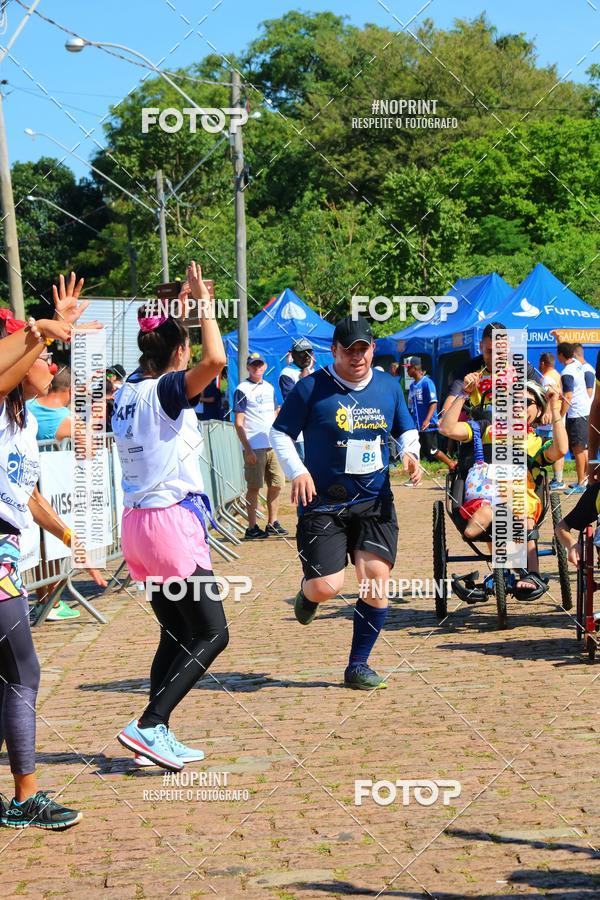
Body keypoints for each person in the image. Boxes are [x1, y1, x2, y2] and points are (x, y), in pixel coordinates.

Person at [112, 262, 230, 772]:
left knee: (175, 633)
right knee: (212, 632)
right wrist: (203, 306)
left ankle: (156, 732)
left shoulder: (127, 390)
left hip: (138, 525)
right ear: (179, 354)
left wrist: (174, 309)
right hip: (167, 525)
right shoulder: (166, 391)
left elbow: (166, 346)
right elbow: (218, 358)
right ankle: (152, 722)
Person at [0, 273, 106, 830]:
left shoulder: (18, 423)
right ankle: (24, 798)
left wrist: (71, 540)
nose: (50, 366)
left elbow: (30, 496)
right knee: (23, 672)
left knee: (9, 676)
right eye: (42, 358)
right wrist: (40, 327)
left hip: (9, 552)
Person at [270, 314, 421, 691]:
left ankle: (358, 665)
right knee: (328, 586)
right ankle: (308, 596)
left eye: (363, 349)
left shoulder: (389, 386)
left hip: (374, 501)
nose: (357, 357)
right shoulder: (311, 389)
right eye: (348, 350)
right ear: (334, 350)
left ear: (372, 349)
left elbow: (407, 428)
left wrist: (410, 452)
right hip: (323, 503)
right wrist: (297, 471)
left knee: (375, 580)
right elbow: (280, 433)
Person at [439, 376, 567, 602]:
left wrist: (555, 408)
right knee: (493, 509)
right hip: (486, 498)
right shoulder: (485, 429)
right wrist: (464, 395)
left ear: (537, 410)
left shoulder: (535, 441)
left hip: (520, 502)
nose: (516, 407)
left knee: (521, 512)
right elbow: (446, 428)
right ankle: (504, 568)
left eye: (525, 402)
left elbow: (561, 449)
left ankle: (531, 574)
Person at [26, 367, 82, 622]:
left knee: (40, 547)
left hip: (34, 486)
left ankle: (45, 598)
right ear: (69, 391)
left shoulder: (29, 408)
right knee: (53, 544)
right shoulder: (64, 416)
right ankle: (52, 600)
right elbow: (89, 443)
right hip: (47, 490)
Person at [234, 352, 287, 540]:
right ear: (248, 367)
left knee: (277, 483)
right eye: (253, 365)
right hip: (254, 445)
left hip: (271, 443)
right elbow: (239, 421)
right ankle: (252, 527)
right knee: (254, 487)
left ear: (264, 367)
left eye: (260, 365)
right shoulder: (242, 389)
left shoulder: (270, 388)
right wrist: (247, 448)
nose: (257, 368)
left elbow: (274, 412)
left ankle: (273, 522)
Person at [441, 321, 543, 417]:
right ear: (481, 346)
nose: (494, 358)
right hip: (479, 430)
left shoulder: (521, 367)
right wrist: (464, 392)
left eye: (500, 352)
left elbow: (543, 399)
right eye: (489, 351)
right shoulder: (469, 369)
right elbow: (445, 413)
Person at [405, 356, 456, 473]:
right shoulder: (412, 386)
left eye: (408, 368)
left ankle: (451, 463)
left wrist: (427, 420)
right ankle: (414, 474)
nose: (407, 371)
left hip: (428, 425)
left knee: (431, 450)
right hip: (417, 425)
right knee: (414, 449)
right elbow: (412, 406)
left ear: (415, 368)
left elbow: (433, 403)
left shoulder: (427, 383)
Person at [557, 341, 593, 495]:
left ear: (560, 355)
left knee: (578, 450)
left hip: (576, 414)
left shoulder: (567, 372)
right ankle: (584, 479)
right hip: (584, 412)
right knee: (583, 449)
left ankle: (581, 482)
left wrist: (560, 415)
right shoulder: (578, 365)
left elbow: (568, 395)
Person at [278, 338, 315, 462]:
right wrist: (304, 380)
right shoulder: (287, 373)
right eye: (302, 353)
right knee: (304, 468)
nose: (306, 356)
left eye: (309, 352)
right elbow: (291, 402)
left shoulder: (313, 372)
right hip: (300, 434)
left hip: (315, 429)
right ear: (292, 354)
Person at [538, 352, 565, 490]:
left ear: (543, 363)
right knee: (558, 447)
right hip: (557, 416)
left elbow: (550, 392)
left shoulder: (547, 378)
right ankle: (558, 479)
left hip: (549, 420)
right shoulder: (557, 374)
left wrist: (547, 411)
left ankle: (556, 479)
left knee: (548, 448)